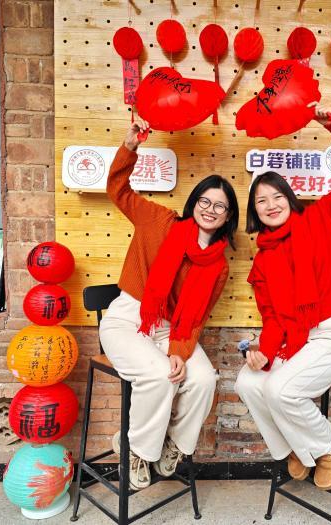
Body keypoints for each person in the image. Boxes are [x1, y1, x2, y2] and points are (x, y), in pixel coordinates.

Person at [235, 103, 331, 491]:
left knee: (281, 390)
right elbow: (272, 318)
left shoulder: (320, 219)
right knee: (247, 382)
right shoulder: (263, 260)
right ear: (255, 211)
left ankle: (326, 449)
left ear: (289, 198)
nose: (271, 205)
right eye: (261, 201)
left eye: (276, 196)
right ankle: (296, 447)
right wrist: (262, 352)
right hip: (298, 338)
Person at [100, 119, 239, 490]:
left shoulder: (219, 266)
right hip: (129, 318)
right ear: (194, 203)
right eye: (205, 201)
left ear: (228, 217)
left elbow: (196, 319)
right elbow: (118, 190)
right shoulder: (158, 221)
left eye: (220, 206)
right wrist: (130, 146)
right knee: (160, 376)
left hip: (172, 330)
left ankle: (172, 445)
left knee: (204, 379)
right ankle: (136, 449)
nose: (210, 209)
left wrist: (179, 350)